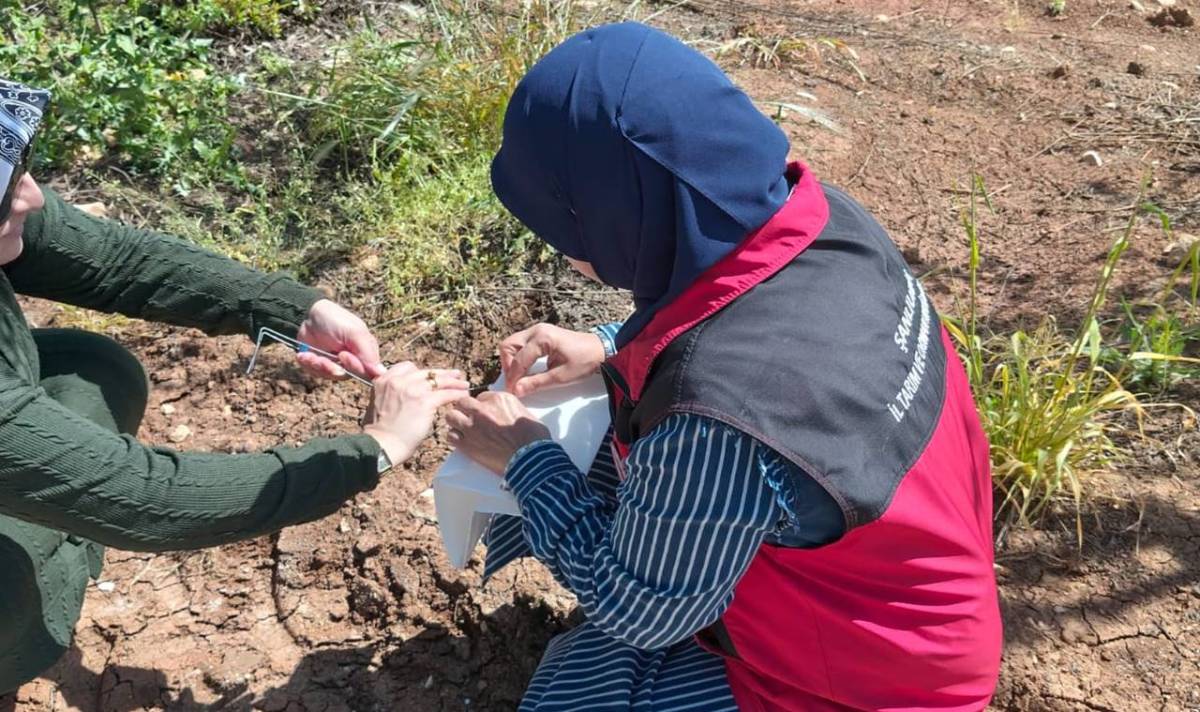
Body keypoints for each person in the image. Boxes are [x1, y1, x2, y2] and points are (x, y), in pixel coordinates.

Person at [447, 22, 1003, 712]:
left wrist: (526, 460)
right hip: (916, 608)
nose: (562, 248)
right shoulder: (823, 222)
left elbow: (642, 613)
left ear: (621, 212)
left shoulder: (716, 422)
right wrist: (611, 344)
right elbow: (767, 325)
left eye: (566, 225)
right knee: (605, 452)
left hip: (872, 689)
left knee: (580, 684)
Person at [0, 78, 469, 695]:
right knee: (19, 577)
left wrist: (293, 309)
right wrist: (376, 447)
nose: (32, 197)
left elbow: (113, 260)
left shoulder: (16, 211)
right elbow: (150, 499)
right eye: (6, 195)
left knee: (94, 371)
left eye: (17, 171)